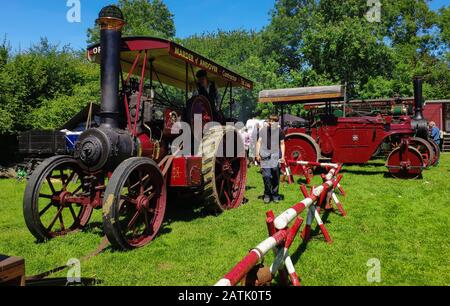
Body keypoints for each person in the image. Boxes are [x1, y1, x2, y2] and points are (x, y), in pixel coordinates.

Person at [256, 115, 286, 204]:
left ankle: (275, 195)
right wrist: (257, 154)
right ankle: (267, 195)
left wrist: (283, 156)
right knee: (267, 176)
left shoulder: (280, 131)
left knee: (276, 176)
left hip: (276, 156)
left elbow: (282, 144)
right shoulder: (263, 130)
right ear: (268, 121)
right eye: (270, 120)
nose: (272, 122)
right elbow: (259, 142)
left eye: (274, 121)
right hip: (265, 156)